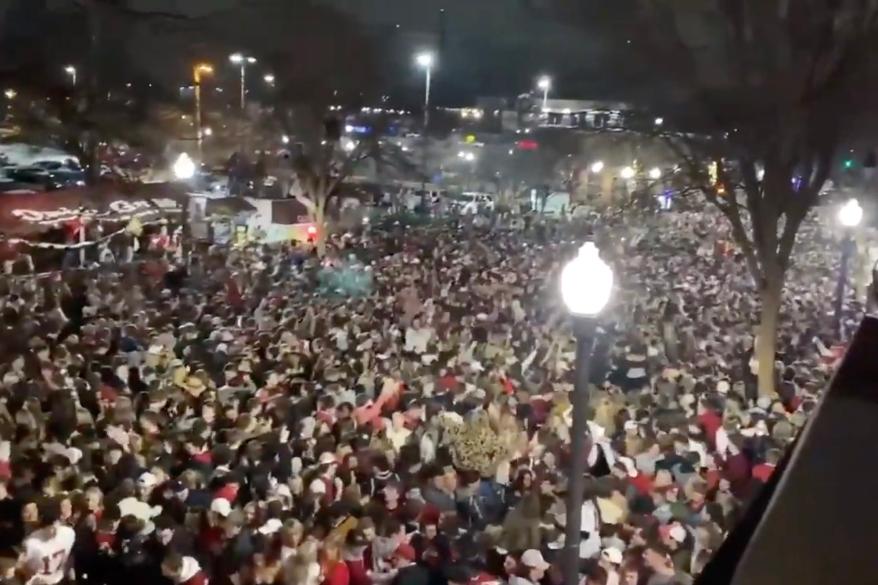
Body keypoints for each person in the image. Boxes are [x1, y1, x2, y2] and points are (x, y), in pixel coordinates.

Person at [18, 499, 75, 585]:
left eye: (55, 523)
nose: (53, 529)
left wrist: (64, 574)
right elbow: (21, 568)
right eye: (49, 525)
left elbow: (70, 558)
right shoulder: (31, 543)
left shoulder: (68, 533)